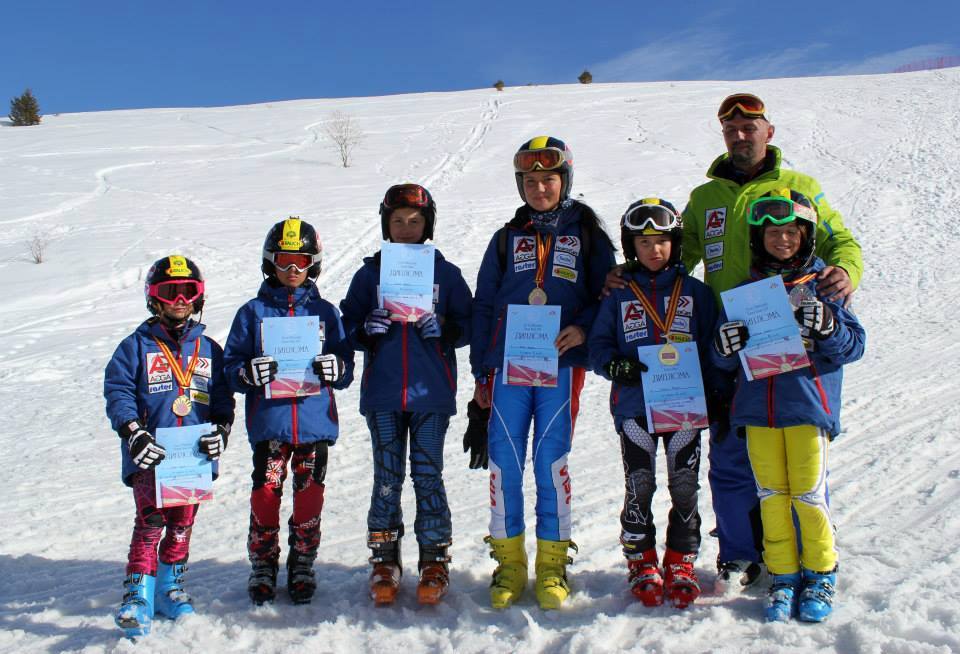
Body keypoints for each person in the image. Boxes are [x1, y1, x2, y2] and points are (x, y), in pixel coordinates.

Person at [470, 136, 616, 610]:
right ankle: (509, 563)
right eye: (529, 181)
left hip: (561, 366)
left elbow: (608, 297)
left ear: (564, 180)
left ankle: (552, 564)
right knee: (504, 462)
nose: (539, 188)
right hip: (510, 367)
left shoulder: (589, 236)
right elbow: (485, 305)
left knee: (551, 462)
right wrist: (481, 372)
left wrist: (583, 327)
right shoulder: (506, 237)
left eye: (548, 179)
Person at [712, 188, 865, 622]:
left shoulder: (824, 285)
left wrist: (829, 325)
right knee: (772, 497)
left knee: (808, 496)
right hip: (757, 412)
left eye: (791, 232)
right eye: (772, 232)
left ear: (806, 235)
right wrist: (725, 347)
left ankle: (820, 572)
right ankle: (783, 576)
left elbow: (854, 346)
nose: (782, 240)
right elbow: (719, 356)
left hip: (805, 408)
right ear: (759, 238)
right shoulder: (746, 291)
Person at [339, 183, 472, 606]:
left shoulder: (445, 273)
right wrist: (364, 328)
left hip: (430, 393)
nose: (406, 228)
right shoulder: (370, 273)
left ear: (428, 224)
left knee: (428, 473)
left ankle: (434, 558)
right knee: (387, 477)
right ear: (386, 224)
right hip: (382, 393)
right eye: (397, 221)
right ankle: (384, 557)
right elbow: (347, 324)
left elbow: (470, 323)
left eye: (415, 221)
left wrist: (447, 329)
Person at [588, 198, 719, 609]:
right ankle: (640, 560)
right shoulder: (618, 294)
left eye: (662, 241)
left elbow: (716, 347)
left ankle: (681, 561)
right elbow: (597, 347)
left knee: (685, 485)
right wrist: (614, 364)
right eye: (644, 243)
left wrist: (713, 382)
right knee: (638, 484)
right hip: (634, 406)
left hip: (684, 407)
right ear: (631, 248)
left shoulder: (697, 294)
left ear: (675, 244)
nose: (654, 250)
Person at [223, 218, 354, 606]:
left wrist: (337, 368)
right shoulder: (253, 312)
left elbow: (345, 365)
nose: (293, 270)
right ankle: (263, 563)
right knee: (266, 493)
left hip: (313, 422)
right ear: (270, 262)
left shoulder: (327, 313)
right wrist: (247, 372)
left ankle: (303, 561)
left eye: (301, 260)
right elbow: (231, 366)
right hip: (272, 424)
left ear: (313, 263)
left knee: (309, 494)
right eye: (284, 260)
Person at [104, 255, 234, 638]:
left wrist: (221, 431)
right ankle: (137, 596)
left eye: (187, 292)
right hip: (152, 455)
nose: (179, 299)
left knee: (182, 524)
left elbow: (223, 397)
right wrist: (133, 432)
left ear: (199, 298)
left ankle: (169, 587)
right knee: (150, 523)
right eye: (169, 292)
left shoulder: (209, 348)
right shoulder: (135, 346)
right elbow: (119, 392)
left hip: (192, 457)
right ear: (154, 299)